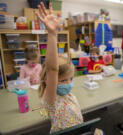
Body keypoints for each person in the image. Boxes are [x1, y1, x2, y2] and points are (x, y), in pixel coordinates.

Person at [36, 3, 83, 133]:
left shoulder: (69, 95)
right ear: (47, 81)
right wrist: (52, 34)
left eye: (71, 79)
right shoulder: (51, 98)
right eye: (63, 81)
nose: (68, 83)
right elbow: (52, 69)